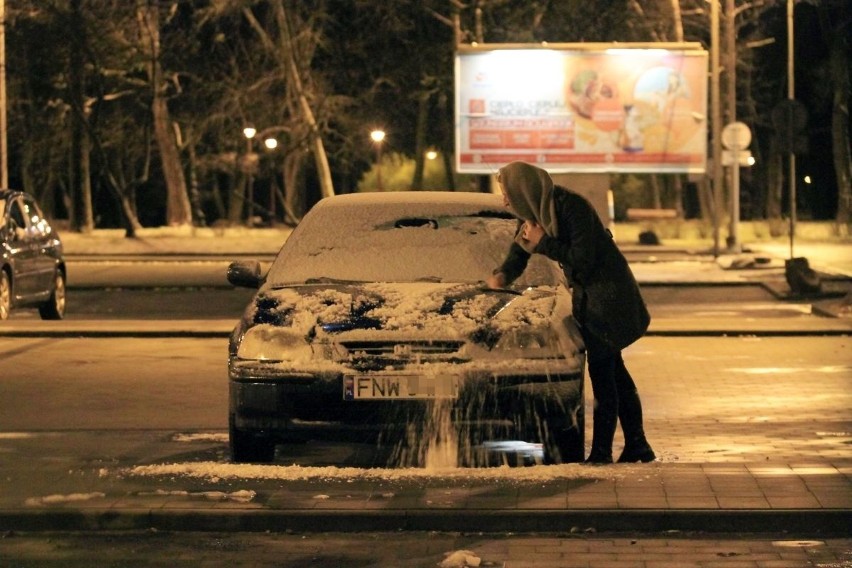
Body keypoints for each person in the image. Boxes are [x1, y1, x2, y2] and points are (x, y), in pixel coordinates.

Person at [486, 161, 656, 464]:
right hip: (591, 298)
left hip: (609, 297)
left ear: (524, 190)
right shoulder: (533, 214)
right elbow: (519, 251)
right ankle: (638, 445)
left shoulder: (573, 208)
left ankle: (603, 452)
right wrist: (501, 277)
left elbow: (583, 259)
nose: (505, 199)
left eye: (507, 191)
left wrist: (544, 243)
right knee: (615, 372)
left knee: (603, 373)